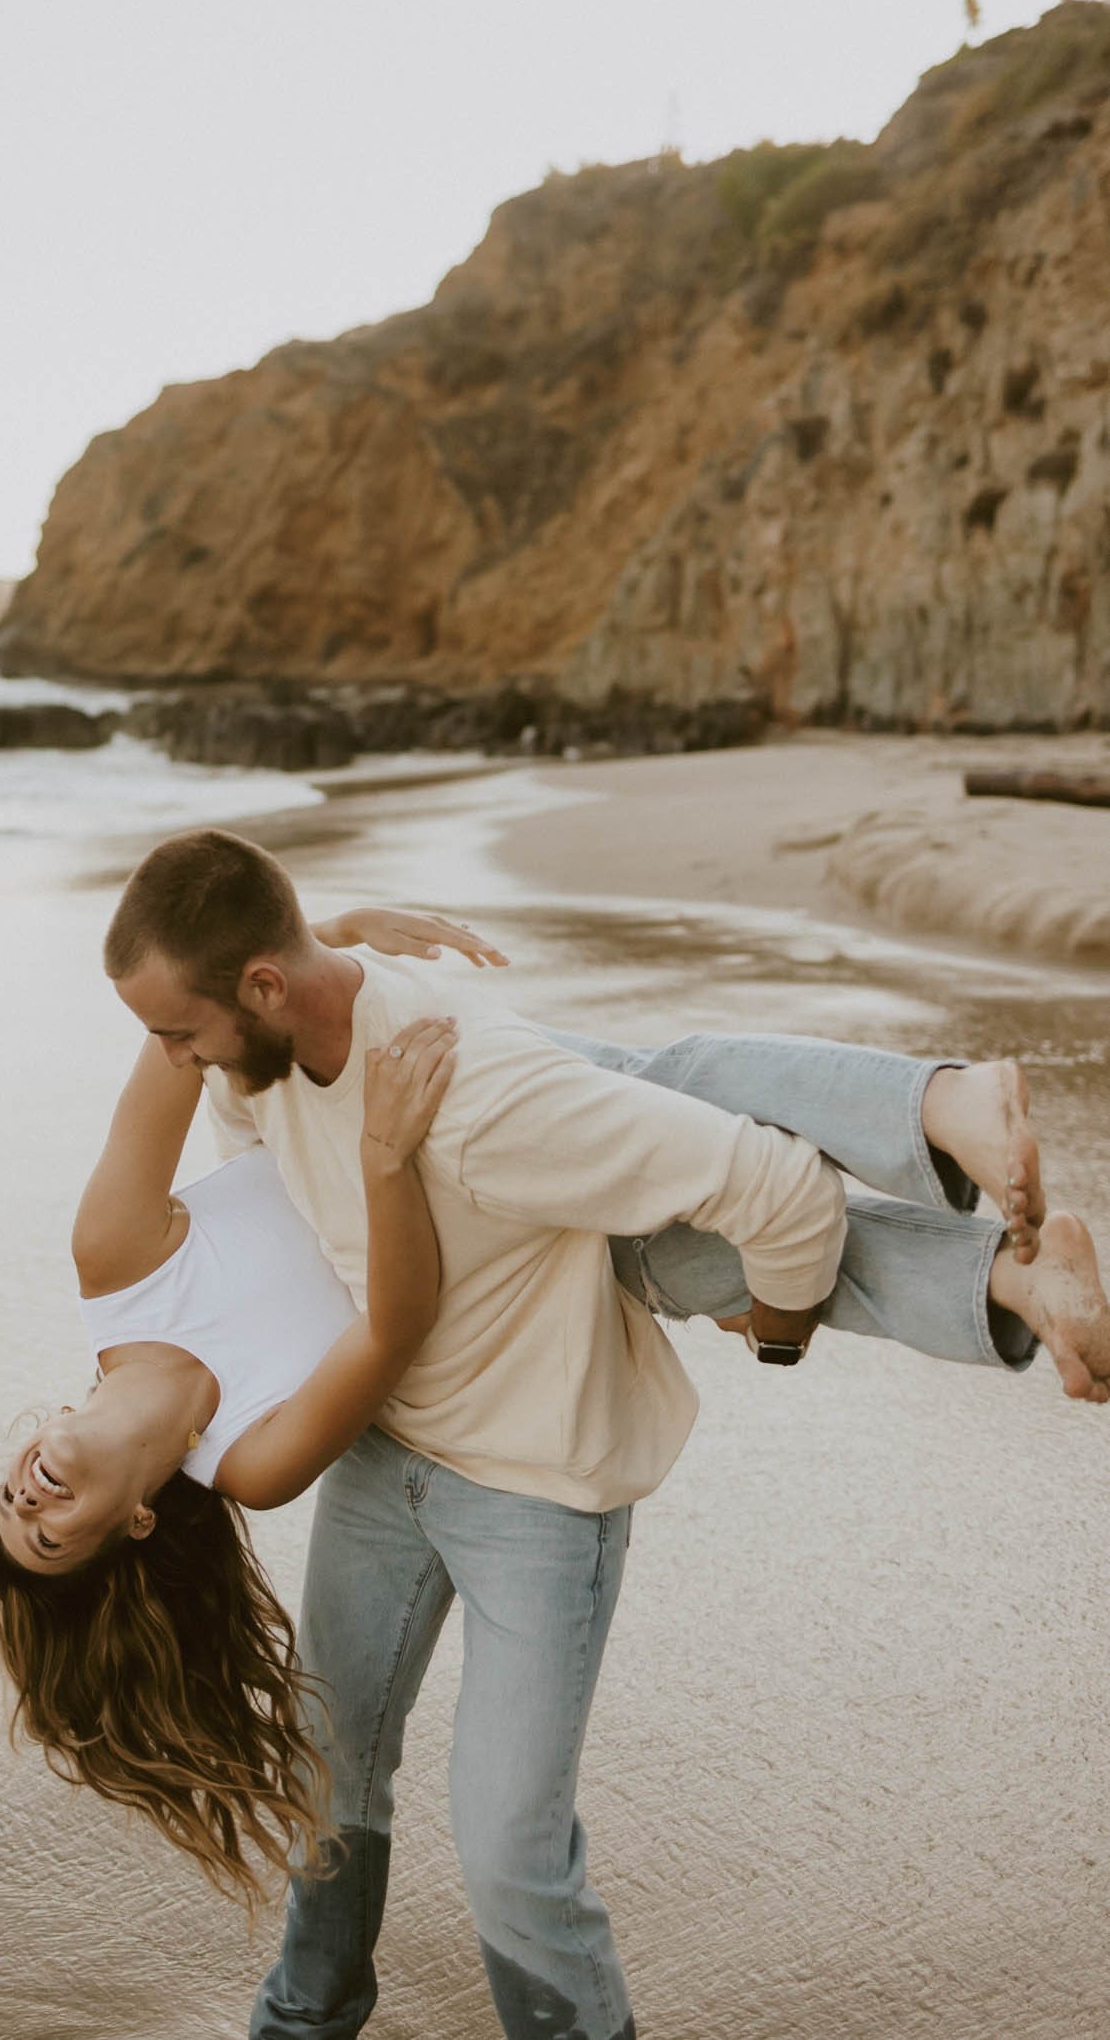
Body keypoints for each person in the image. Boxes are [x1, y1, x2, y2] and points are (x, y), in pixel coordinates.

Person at [84, 831, 1110, 2040]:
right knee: (328, 1774)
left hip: (531, 1481)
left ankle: (951, 1137)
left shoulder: (468, 1098)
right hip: (388, 1463)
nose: (170, 1061)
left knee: (512, 1856)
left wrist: (778, 1328)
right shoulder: (257, 1072)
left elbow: (779, 1193)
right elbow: (309, 1205)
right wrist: (339, 939)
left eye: (177, 1032)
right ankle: (307, 2017)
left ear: (258, 989)